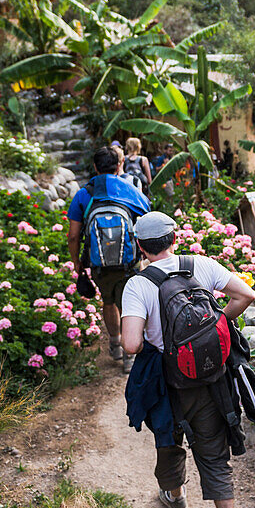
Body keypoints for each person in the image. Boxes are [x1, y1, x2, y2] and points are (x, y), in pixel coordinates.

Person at [120, 211, 255, 508]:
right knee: (213, 452)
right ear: (173, 239)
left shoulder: (138, 285)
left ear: (139, 246)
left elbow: (132, 345)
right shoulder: (201, 265)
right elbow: (245, 295)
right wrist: (215, 326)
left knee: (168, 441)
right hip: (211, 377)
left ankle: (176, 497)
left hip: (168, 383)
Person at [67, 146, 150, 368]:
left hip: (98, 262)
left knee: (108, 301)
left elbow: (74, 236)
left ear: (95, 167)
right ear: (119, 165)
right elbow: (147, 218)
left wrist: (77, 262)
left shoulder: (84, 194)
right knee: (129, 305)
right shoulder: (129, 189)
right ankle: (130, 356)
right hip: (129, 262)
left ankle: (115, 344)